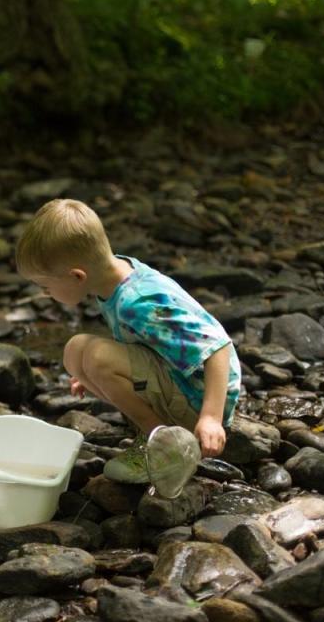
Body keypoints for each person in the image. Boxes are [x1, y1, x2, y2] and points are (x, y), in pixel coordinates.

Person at [14, 199, 241, 495]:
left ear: (76, 276)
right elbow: (142, 341)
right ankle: (159, 432)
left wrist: (210, 417)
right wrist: (89, 372)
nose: (45, 293)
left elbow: (217, 346)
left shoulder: (137, 301)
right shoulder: (116, 273)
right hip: (180, 377)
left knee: (92, 354)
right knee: (76, 352)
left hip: (198, 395)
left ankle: (164, 444)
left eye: (46, 286)